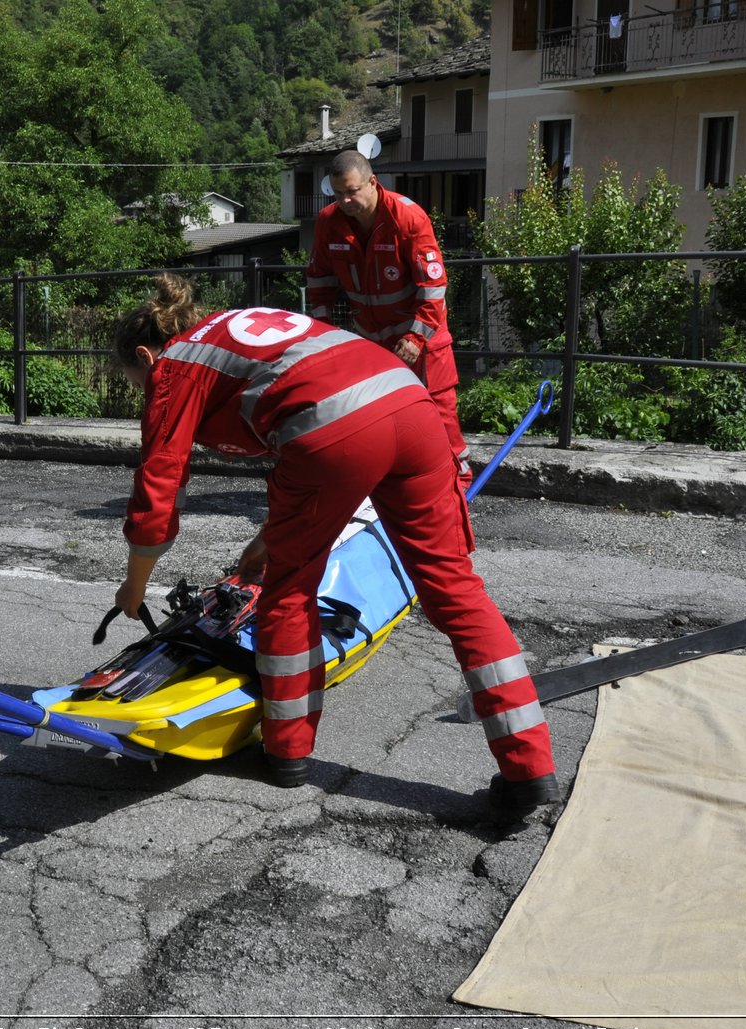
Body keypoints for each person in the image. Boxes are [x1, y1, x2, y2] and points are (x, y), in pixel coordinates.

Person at [111, 274, 558, 811]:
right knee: (456, 590)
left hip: (331, 429)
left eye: (135, 381)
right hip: (412, 407)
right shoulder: (237, 330)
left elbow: (159, 493)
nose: (143, 393)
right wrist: (268, 538)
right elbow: (301, 406)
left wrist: (133, 590)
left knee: (288, 595)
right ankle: (530, 769)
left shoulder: (175, 365)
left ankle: (287, 753)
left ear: (145, 354)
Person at [305, 150, 473, 488]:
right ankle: (394, 484)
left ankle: (459, 481)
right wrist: (322, 332)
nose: (345, 200)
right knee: (380, 413)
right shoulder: (328, 221)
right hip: (373, 340)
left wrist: (415, 338)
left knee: (438, 410)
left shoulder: (407, 217)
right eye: (338, 194)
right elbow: (320, 280)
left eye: (351, 191)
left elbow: (433, 284)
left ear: (372, 182)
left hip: (423, 339)